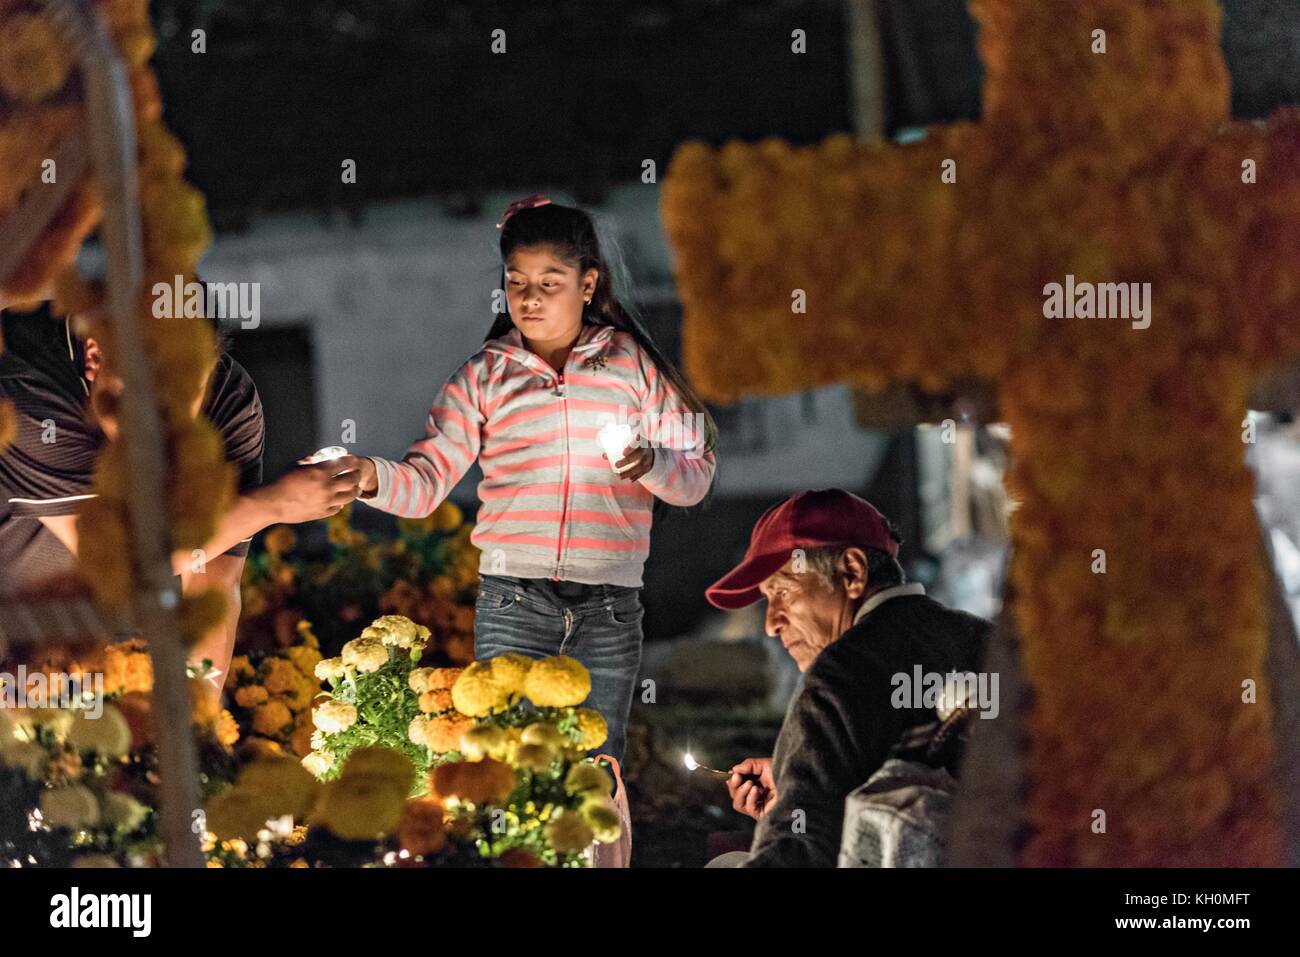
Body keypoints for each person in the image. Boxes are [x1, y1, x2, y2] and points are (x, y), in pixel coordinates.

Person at [347, 196, 718, 765]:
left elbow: (695, 476)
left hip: (610, 607)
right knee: (509, 765)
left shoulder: (631, 366)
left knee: (598, 768)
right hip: (513, 602)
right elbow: (426, 481)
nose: (529, 297)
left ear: (587, 284)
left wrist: (652, 464)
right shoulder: (484, 377)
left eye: (550, 282)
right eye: (517, 281)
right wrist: (369, 476)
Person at [0, 298, 361, 688]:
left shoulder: (227, 403)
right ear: (95, 357)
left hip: (114, 649)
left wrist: (203, 726)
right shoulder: (30, 381)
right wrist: (269, 504)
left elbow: (213, 583)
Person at [704, 489, 992, 867]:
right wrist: (800, 780)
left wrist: (794, 813)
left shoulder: (839, 675)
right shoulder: (985, 640)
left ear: (852, 573)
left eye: (784, 593)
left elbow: (802, 855)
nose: (772, 624)